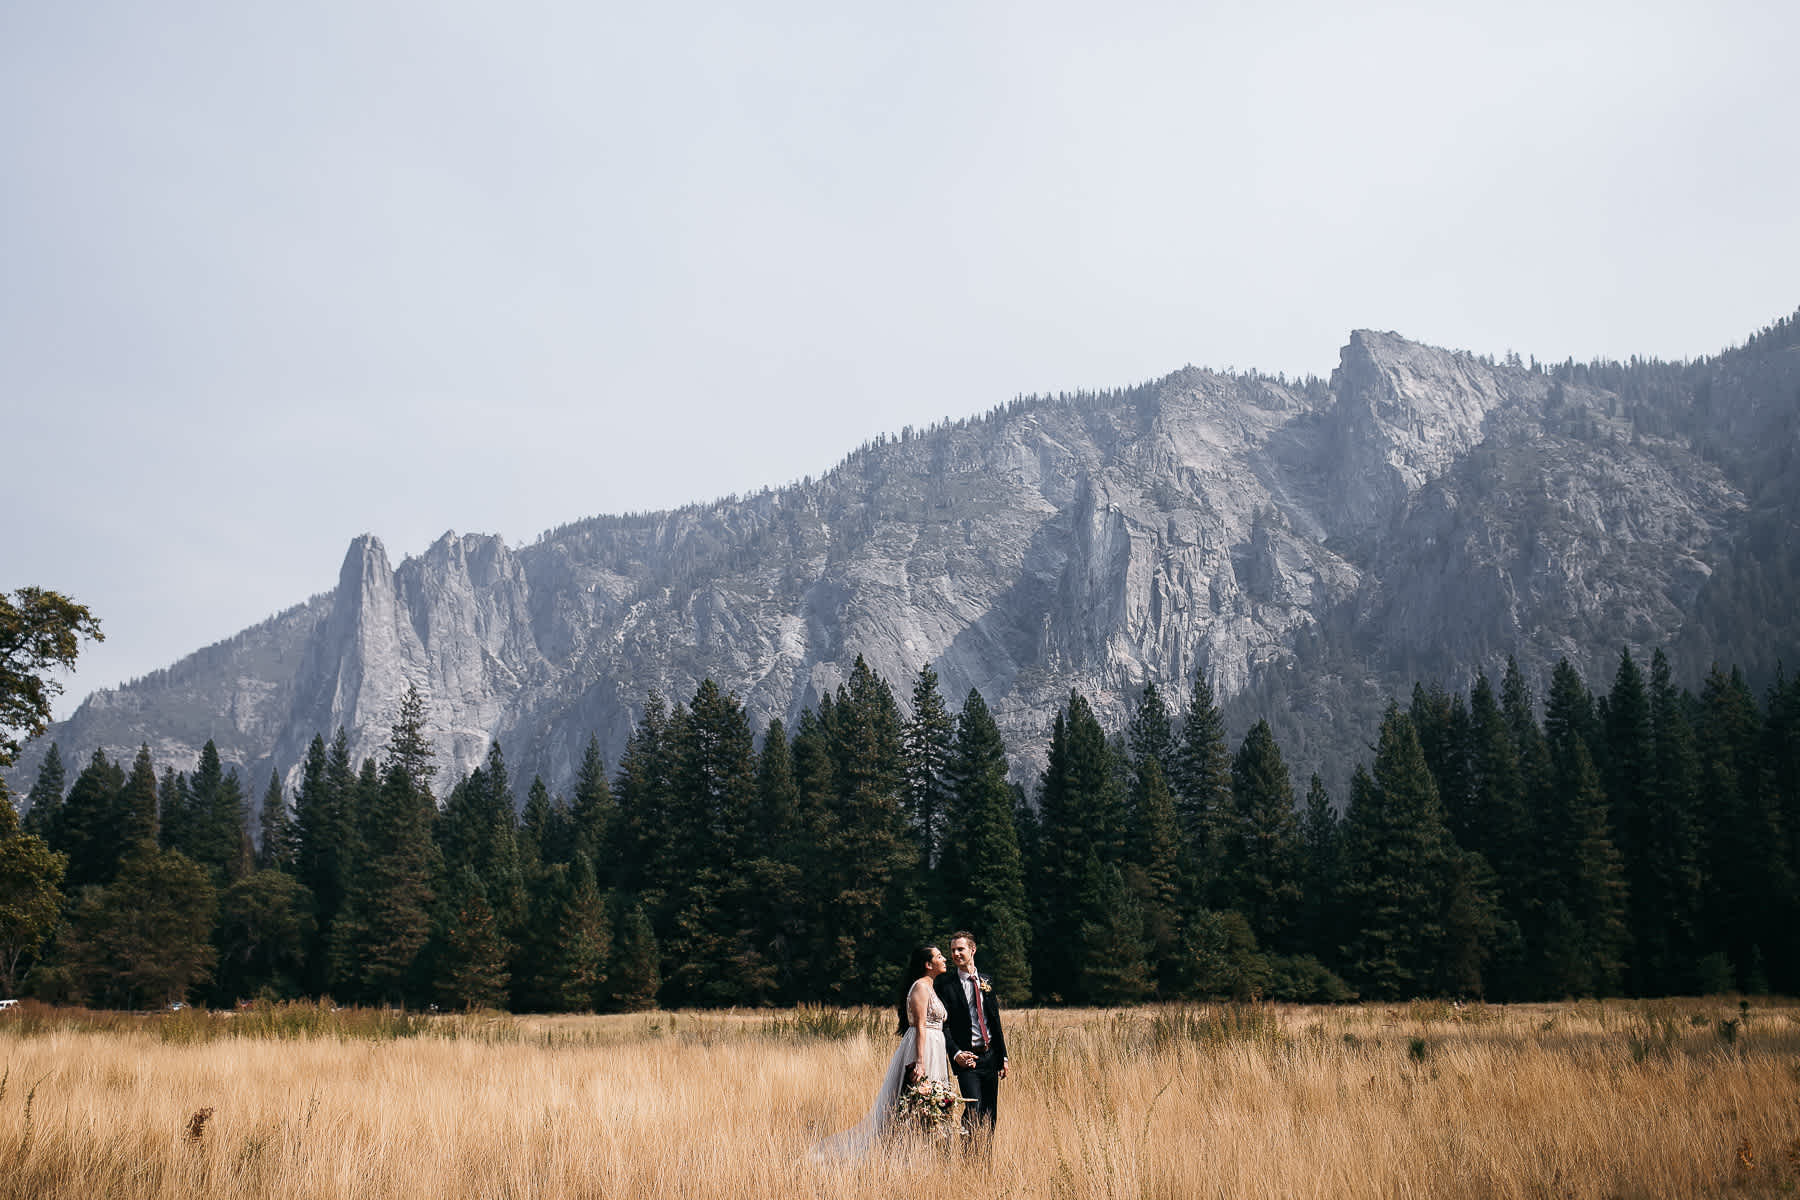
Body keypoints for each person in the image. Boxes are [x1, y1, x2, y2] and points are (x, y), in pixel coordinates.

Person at [809, 944, 950, 1162]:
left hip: (935, 1047)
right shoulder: (921, 987)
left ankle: (924, 1154)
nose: (945, 959)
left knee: (929, 1104)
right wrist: (920, 1061)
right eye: (939, 956)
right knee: (913, 1103)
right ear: (928, 964)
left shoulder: (930, 986)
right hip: (923, 1048)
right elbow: (920, 1025)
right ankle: (899, 1155)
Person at [934, 930, 1007, 1144]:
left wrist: (1003, 1057)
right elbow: (943, 1025)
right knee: (973, 1108)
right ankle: (968, 1156)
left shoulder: (986, 980)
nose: (955, 954)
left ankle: (984, 1162)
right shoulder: (946, 985)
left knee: (990, 1114)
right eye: (953, 950)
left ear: (972, 950)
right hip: (967, 1059)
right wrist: (955, 1053)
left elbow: (995, 1020)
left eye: (960, 949)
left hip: (990, 1056)